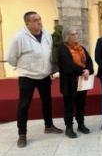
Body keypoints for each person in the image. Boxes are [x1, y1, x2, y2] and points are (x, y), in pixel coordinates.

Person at [6, 11, 63, 148]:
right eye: (35, 20)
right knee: (24, 105)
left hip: (44, 75)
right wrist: (25, 67)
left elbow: (50, 53)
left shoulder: (47, 35)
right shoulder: (19, 37)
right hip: (28, 76)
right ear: (28, 23)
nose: (39, 21)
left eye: (40, 19)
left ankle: (48, 126)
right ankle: (22, 134)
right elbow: (11, 58)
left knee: (47, 102)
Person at [57, 26, 94, 138]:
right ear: (67, 36)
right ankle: (69, 128)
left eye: (77, 33)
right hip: (69, 83)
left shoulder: (81, 48)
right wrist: (83, 71)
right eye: (73, 34)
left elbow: (89, 62)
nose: (76, 36)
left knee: (81, 105)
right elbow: (68, 65)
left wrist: (88, 69)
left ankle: (81, 124)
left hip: (82, 83)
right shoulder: (62, 49)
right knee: (69, 106)